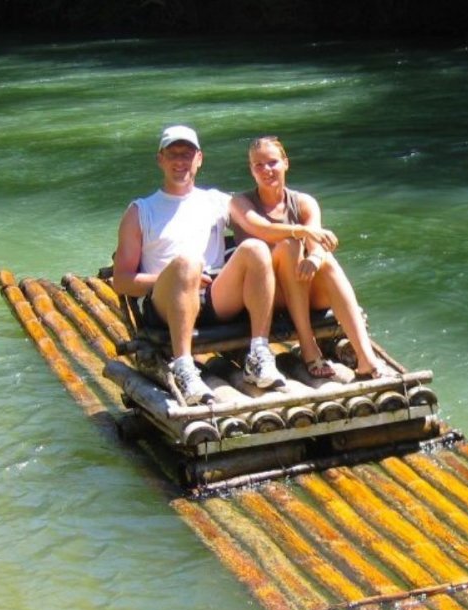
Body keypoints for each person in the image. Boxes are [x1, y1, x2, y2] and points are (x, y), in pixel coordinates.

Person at [112, 125, 287, 405]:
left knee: (255, 248)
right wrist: (180, 277)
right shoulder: (140, 211)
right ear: (161, 159)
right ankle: (184, 367)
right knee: (188, 262)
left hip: (216, 297)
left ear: (199, 159)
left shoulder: (217, 200)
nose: (180, 161)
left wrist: (305, 233)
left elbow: (262, 225)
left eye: (187, 153)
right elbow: (121, 281)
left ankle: (259, 354)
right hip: (166, 303)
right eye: (173, 154)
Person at [233, 136, 397, 381]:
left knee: (326, 261)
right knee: (289, 244)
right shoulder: (240, 203)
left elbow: (318, 245)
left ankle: (366, 359)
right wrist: (302, 232)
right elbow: (263, 229)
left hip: (300, 288)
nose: (266, 170)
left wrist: (317, 258)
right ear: (251, 170)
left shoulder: (304, 203)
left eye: (272, 162)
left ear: (286, 163)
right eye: (258, 165)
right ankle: (309, 347)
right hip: (266, 296)